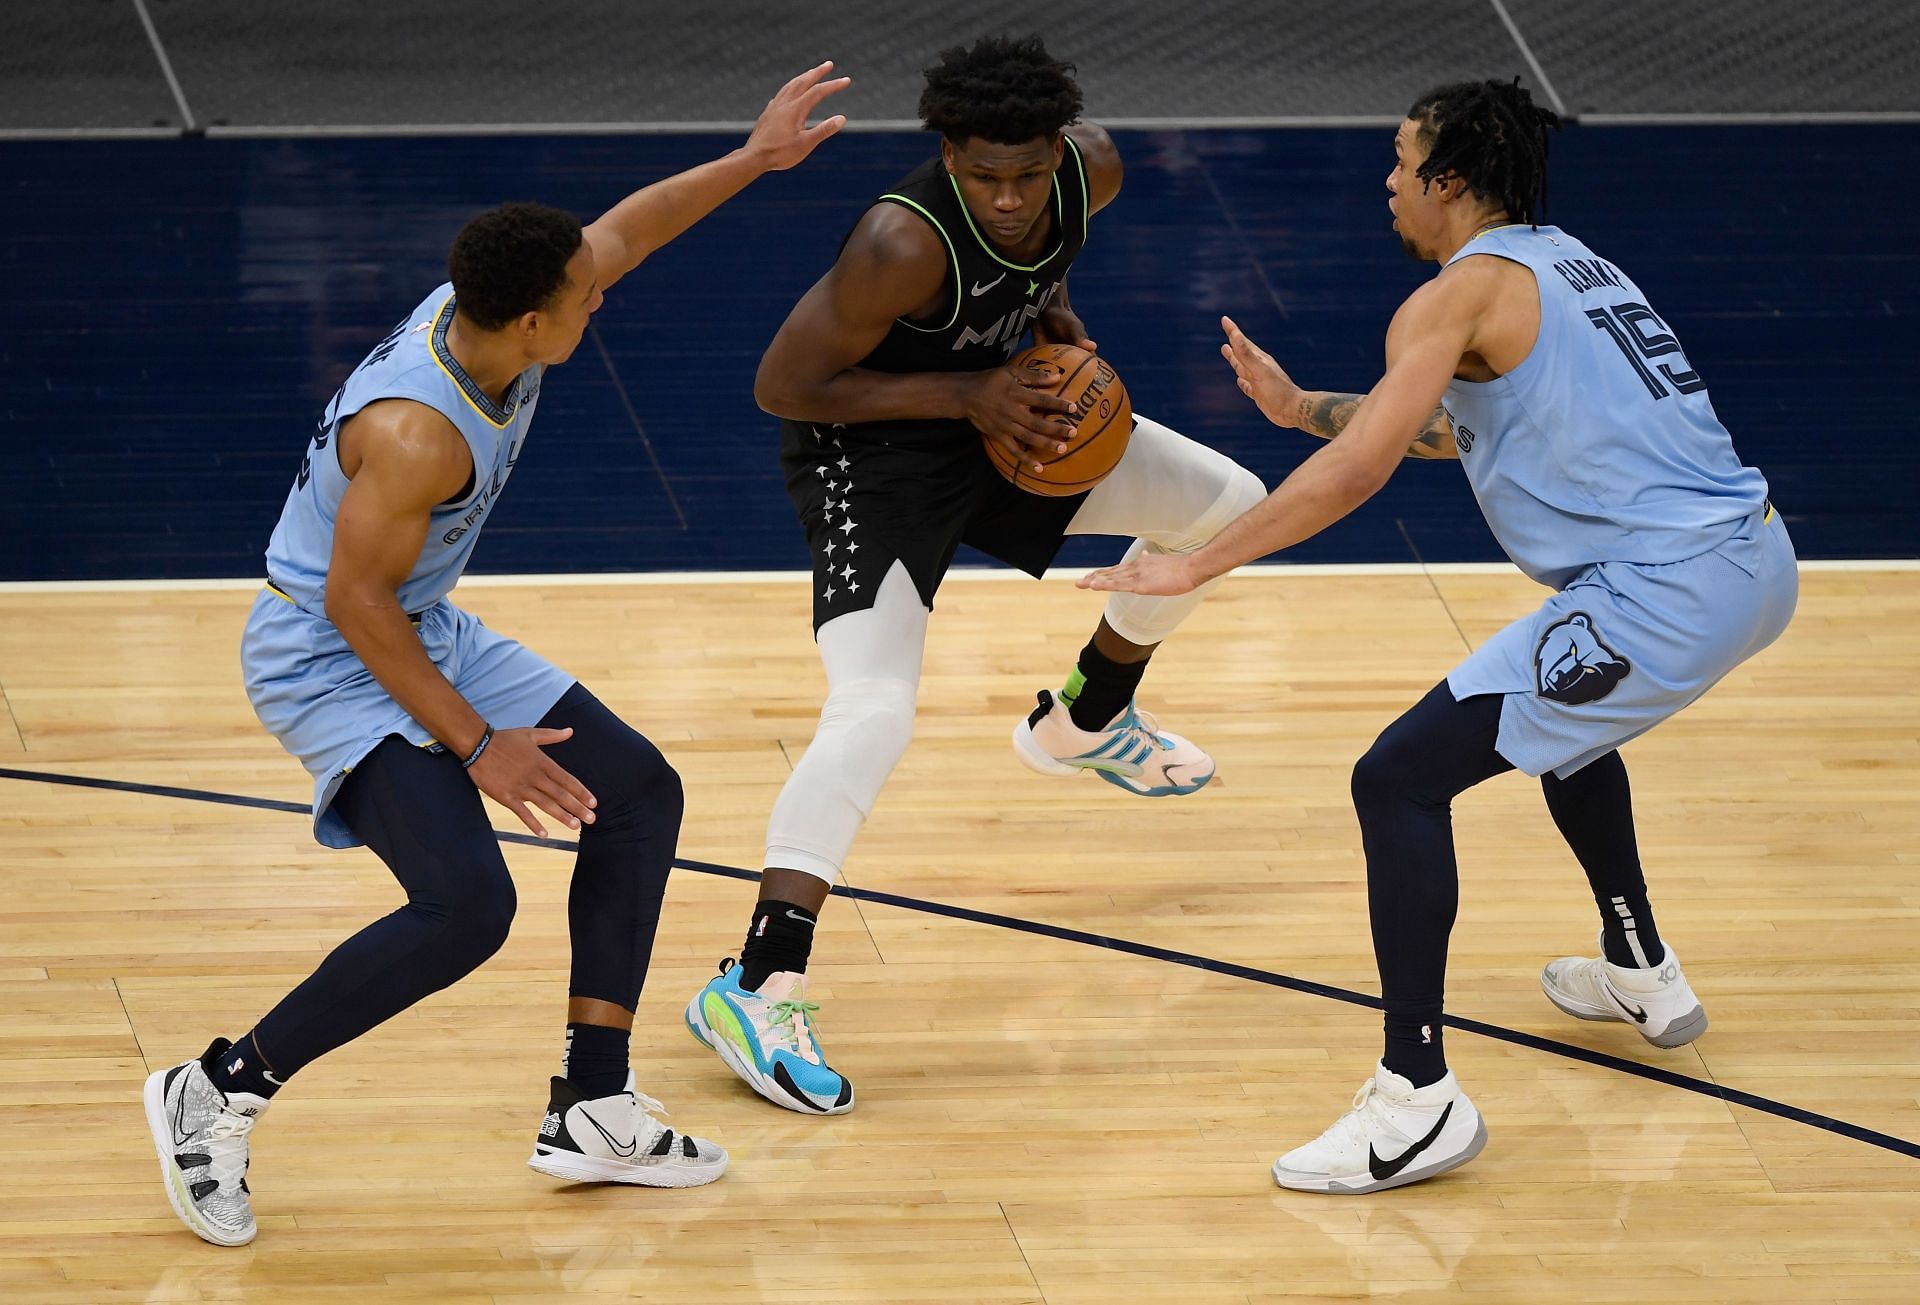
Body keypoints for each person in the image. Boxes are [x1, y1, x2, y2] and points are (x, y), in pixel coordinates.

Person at [141, 64, 849, 1246]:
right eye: (584, 299)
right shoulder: (418, 433)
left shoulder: (494, 314)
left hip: (417, 625)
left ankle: (594, 1102)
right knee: (467, 904)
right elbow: (354, 603)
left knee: (639, 795)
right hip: (327, 651)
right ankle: (217, 1088)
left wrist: (753, 157)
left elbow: (622, 232)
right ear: (531, 323)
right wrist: (479, 748)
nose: (600, 299)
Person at [1080, 78, 1797, 1193]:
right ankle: (1638, 960)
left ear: (1450, 180)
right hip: (1754, 559)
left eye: (1401, 161)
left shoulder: (1448, 300)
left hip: (1665, 591)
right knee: (1566, 712)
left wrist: (1191, 562)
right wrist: (1297, 408)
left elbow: (1363, 467)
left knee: (1398, 781)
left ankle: (1416, 1099)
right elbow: (1443, 432)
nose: (1388, 181)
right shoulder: (1573, 266)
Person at [682, 35, 1266, 1115]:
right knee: (875, 712)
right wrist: (965, 394)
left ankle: (1087, 717)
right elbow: (785, 384)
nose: (1006, 198)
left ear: (1060, 152)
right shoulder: (899, 243)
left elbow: (1035, 259)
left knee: (1229, 504)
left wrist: (1043, 318)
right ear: (948, 155)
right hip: (876, 453)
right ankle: (756, 987)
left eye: (1026, 174)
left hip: (1006, 415)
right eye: (982, 175)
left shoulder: (1093, 173)